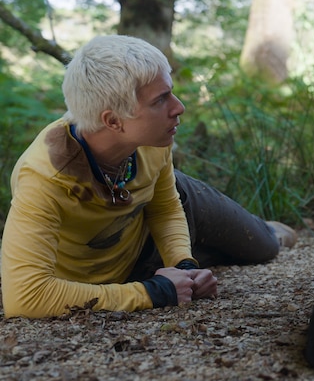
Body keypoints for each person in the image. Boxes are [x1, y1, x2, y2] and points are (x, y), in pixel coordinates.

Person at [1, 35, 297, 318]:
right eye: (161, 100)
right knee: (225, 255)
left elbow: (166, 206)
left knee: (265, 248)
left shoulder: (153, 141)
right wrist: (155, 292)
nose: (178, 107)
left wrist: (182, 265)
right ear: (113, 120)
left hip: (148, 237)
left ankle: (267, 231)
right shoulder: (44, 177)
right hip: (119, 274)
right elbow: (24, 296)